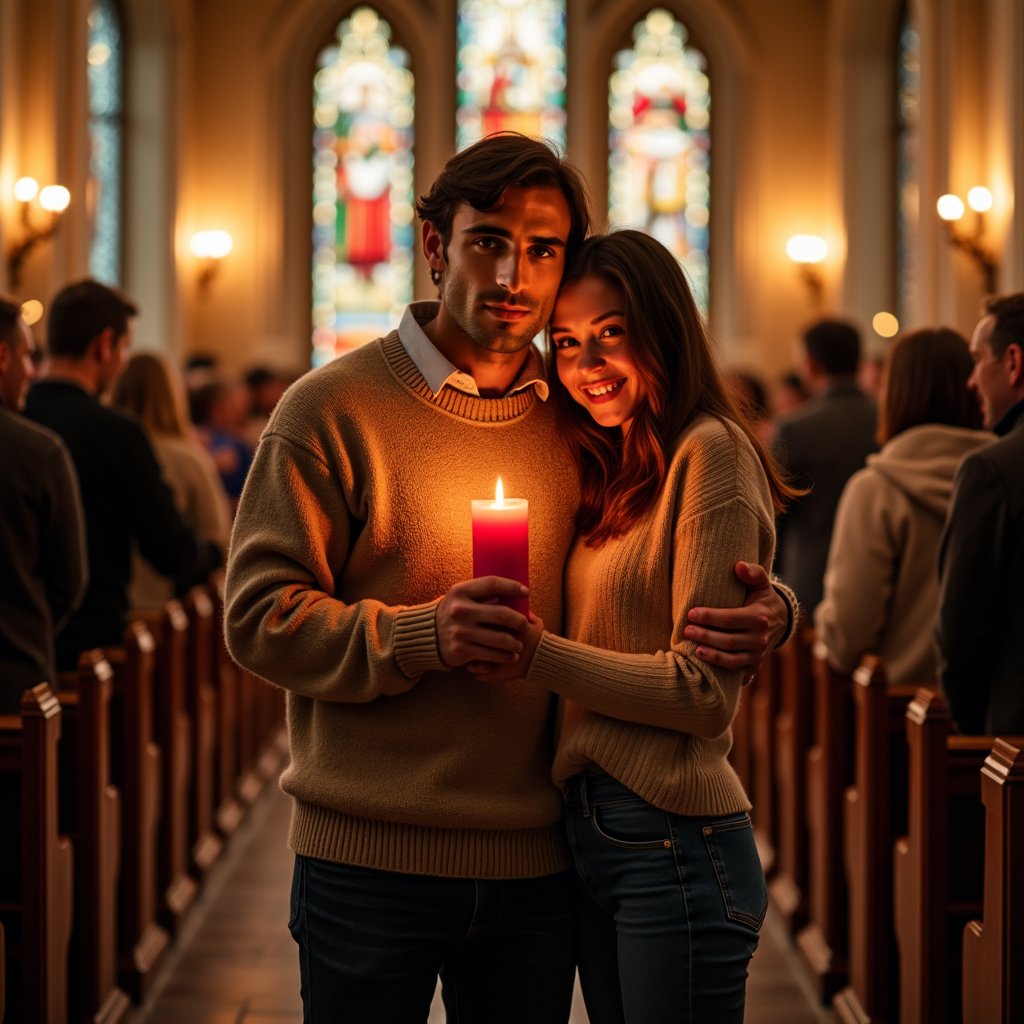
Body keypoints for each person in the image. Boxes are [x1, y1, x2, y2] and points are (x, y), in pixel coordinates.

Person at [224, 133, 793, 1023]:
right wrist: (419, 635)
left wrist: (771, 606)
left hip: (538, 861)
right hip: (371, 853)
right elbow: (257, 616)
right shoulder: (330, 407)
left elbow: (653, 547)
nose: (513, 276)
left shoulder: (581, 413)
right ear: (434, 245)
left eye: (542, 249)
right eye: (488, 240)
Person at [463, 230, 799, 1021]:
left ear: (663, 324)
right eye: (568, 342)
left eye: (611, 333)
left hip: (674, 837)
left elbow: (700, 695)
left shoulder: (710, 452)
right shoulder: (616, 461)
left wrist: (534, 653)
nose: (587, 368)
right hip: (593, 833)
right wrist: (782, 606)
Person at [24, 279, 222, 670]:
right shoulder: (118, 434)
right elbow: (169, 550)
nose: (123, 361)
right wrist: (215, 552)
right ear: (104, 344)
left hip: (19, 638)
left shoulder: (16, 418)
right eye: (125, 347)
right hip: (89, 646)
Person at [814, 328, 991, 685]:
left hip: (897, 712)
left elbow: (847, 635)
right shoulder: (1005, 477)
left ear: (893, 394)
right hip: (998, 717)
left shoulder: (876, 490)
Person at [936, 293, 1024, 734]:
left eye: (977, 361)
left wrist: (969, 733)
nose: (971, 381)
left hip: (1014, 748)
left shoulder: (992, 469)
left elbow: (961, 629)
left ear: (1013, 362)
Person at [0, 297, 87, 711]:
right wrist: (23, 626)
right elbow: (69, 580)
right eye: (27, 356)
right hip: (15, 683)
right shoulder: (39, 451)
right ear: (2, 357)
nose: (32, 372)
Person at [110, 351, 231, 609]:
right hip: (166, 608)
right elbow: (218, 537)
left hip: (107, 601)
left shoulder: (103, 448)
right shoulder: (187, 457)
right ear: (173, 395)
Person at [773, 318, 878, 612]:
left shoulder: (794, 429)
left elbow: (775, 512)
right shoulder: (886, 418)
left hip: (810, 579)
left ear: (810, 365)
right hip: (876, 577)